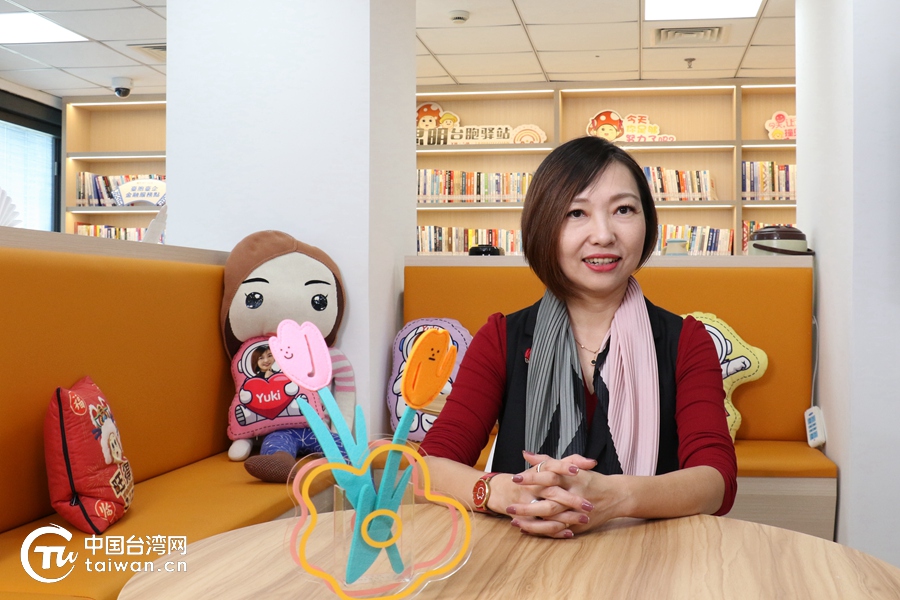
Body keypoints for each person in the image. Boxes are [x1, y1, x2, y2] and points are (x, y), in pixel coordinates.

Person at [419, 136, 737, 539]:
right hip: (521, 556)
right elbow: (425, 469)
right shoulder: (501, 338)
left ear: (647, 221)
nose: (603, 235)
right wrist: (503, 492)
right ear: (543, 226)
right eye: (576, 213)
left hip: (650, 554)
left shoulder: (685, 341)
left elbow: (716, 481)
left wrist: (618, 497)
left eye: (623, 209)